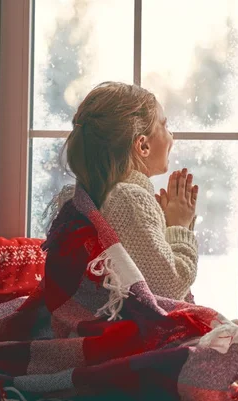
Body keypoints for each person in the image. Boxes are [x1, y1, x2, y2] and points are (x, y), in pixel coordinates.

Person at [61, 82, 199, 302]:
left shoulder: (108, 193)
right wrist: (179, 226)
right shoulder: (130, 199)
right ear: (143, 146)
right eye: (165, 126)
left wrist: (164, 225)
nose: (172, 136)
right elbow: (170, 287)